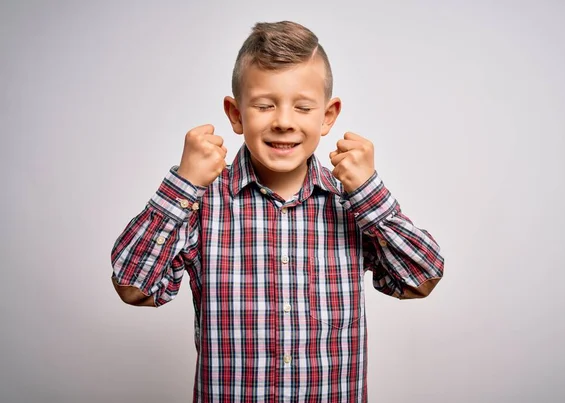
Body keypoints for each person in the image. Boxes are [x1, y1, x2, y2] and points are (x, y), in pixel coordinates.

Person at [111, 20, 444, 403]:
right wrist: (183, 184)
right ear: (236, 115)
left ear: (328, 116)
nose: (284, 121)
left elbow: (420, 277)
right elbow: (135, 286)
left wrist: (370, 194)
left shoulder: (352, 202)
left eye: (303, 107)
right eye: (265, 105)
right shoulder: (201, 202)